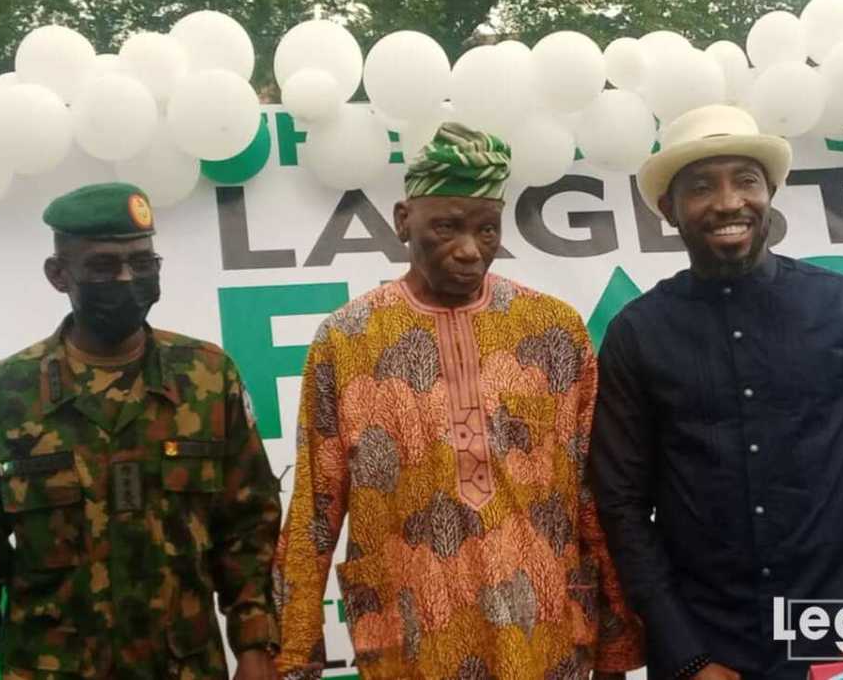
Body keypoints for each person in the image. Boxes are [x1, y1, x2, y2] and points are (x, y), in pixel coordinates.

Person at [272, 123, 645, 680]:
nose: (469, 250)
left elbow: (594, 495)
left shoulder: (554, 331)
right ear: (404, 221)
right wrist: (294, 655)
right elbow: (315, 511)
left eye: (487, 229)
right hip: (412, 635)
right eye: (446, 226)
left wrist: (615, 646)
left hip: (541, 633)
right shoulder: (347, 340)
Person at [589, 105, 843, 680]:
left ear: (770, 193)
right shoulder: (636, 334)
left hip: (836, 631)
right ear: (668, 210)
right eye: (701, 187)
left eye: (745, 181)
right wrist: (686, 656)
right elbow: (622, 505)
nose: (729, 202)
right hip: (709, 639)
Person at [0, 182, 282, 680]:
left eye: (143, 262)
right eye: (104, 266)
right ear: (59, 274)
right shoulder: (4, 396)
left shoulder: (208, 378)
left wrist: (256, 647)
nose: (127, 278)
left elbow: (248, 526)